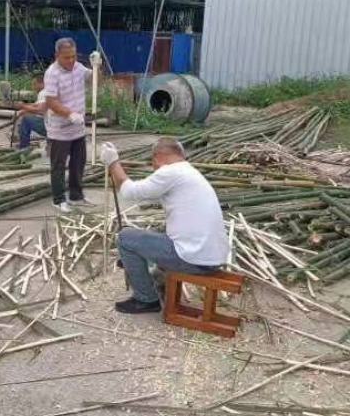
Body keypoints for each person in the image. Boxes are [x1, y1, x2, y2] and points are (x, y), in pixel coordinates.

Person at [100, 138, 230, 314]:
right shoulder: (189, 172)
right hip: (211, 257)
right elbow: (147, 193)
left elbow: (129, 192)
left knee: (125, 238)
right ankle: (147, 270)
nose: (153, 167)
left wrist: (113, 162)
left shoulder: (170, 172)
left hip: (193, 258)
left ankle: (146, 299)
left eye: (152, 162)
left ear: (158, 156)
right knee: (156, 232)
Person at [43, 37, 102, 213]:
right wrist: (70, 114)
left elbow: (95, 81)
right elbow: (51, 102)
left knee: (78, 162)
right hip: (59, 129)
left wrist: (97, 66)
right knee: (58, 165)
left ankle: (76, 195)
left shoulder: (78, 67)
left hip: (78, 128)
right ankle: (59, 199)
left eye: (74, 57)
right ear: (57, 55)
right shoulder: (52, 73)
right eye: (66, 57)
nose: (71, 61)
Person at [13, 75, 48, 149]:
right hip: (57, 125)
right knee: (27, 115)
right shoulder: (49, 91)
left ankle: (24, 147)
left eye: (35, 84)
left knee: (26, 119)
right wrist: (23, 109)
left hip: (50, 126)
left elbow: (39, 110)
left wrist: (23, 106)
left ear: (42, 84)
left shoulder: (44, 93)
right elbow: (36, 105)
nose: (33, 87)